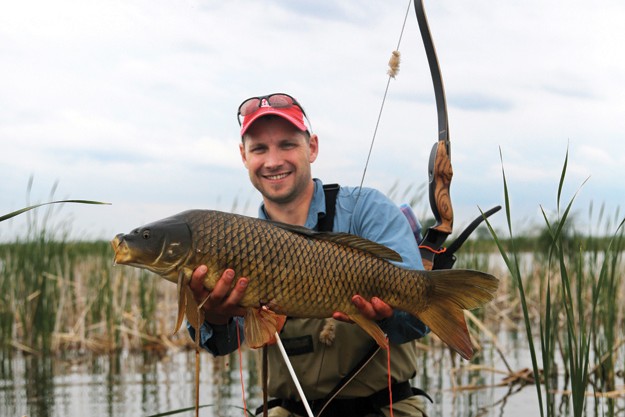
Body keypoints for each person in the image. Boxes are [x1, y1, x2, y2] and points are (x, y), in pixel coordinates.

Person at [188, 93, 430, 417]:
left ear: (312, 147)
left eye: (287, 144)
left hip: (384, 407)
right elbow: (220, 344)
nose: (273, 161)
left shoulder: (367, 209)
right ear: (244, 156)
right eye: (259, 149)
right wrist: (215, 316)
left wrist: (387, 314)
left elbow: (417, 325)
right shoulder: (236, 243)